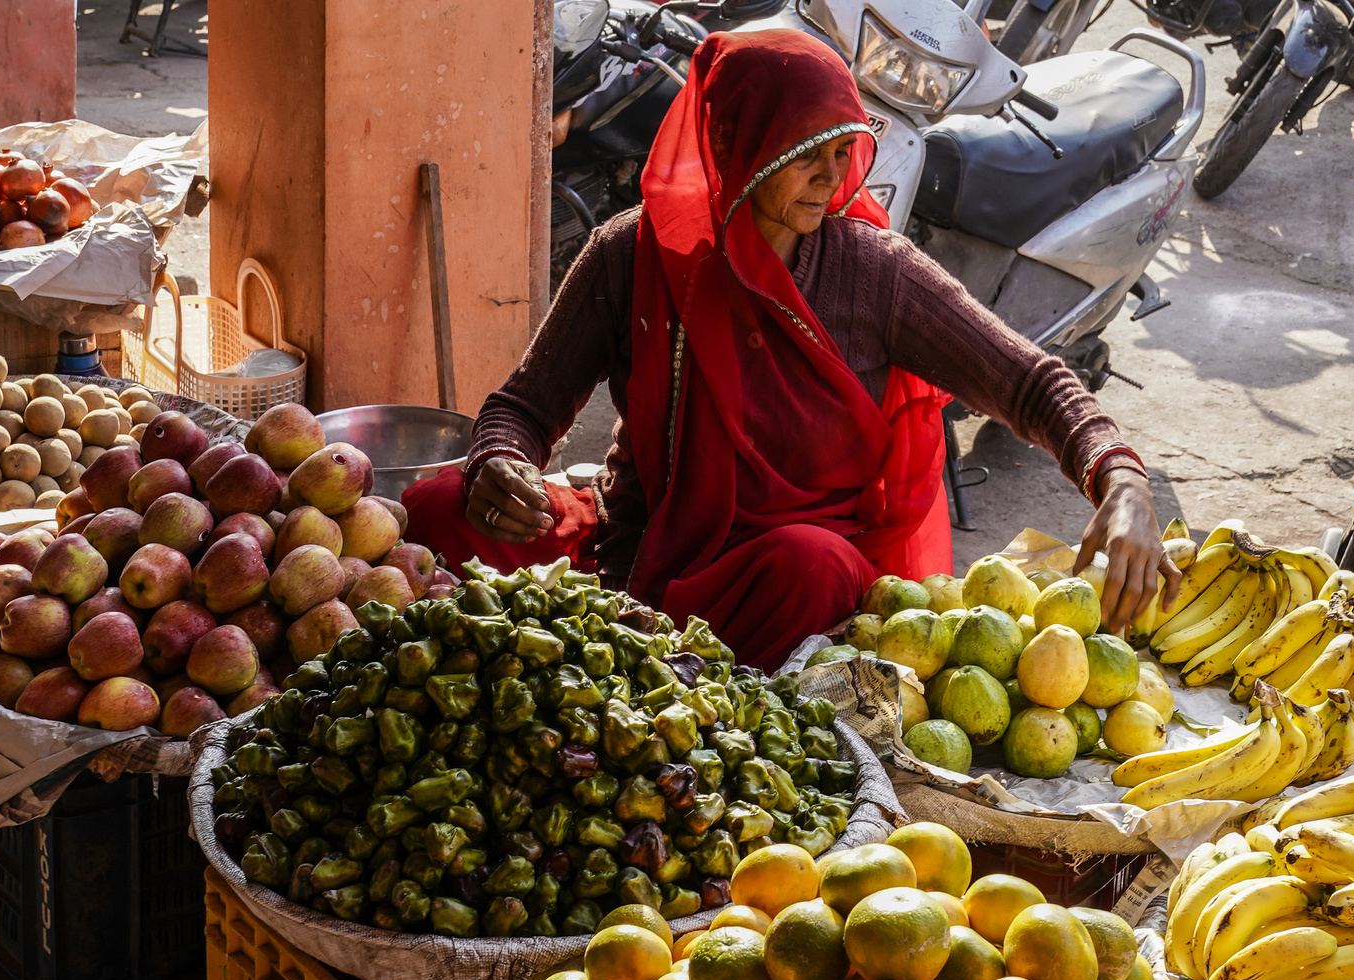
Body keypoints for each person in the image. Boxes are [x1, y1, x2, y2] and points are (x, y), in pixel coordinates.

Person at [403, 29, 1179, 671]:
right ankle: (637, 648)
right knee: (439, 506)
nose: (831, 175)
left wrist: (1120, 480)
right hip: (631, 550)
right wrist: (499, 460)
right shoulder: (632, 253)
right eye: (805, 151)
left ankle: (660, 675)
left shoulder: (874, 272)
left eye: (844, 151)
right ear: (734, 141)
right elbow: (523, 406)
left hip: (765, 574)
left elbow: (1029, 380)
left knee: (819, 569)